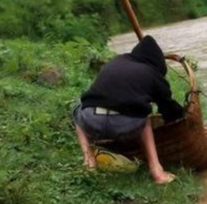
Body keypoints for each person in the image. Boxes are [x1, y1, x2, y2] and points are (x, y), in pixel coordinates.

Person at [72, 35, 184, 184]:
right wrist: (182, 115)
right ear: (157, 63)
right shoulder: (153, 74)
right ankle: (157, 171)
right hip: (124, 126)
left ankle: (89, 160)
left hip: (92, 122)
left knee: (77, 110)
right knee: (145, 119)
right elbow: (169, 108)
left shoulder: (117, 61)